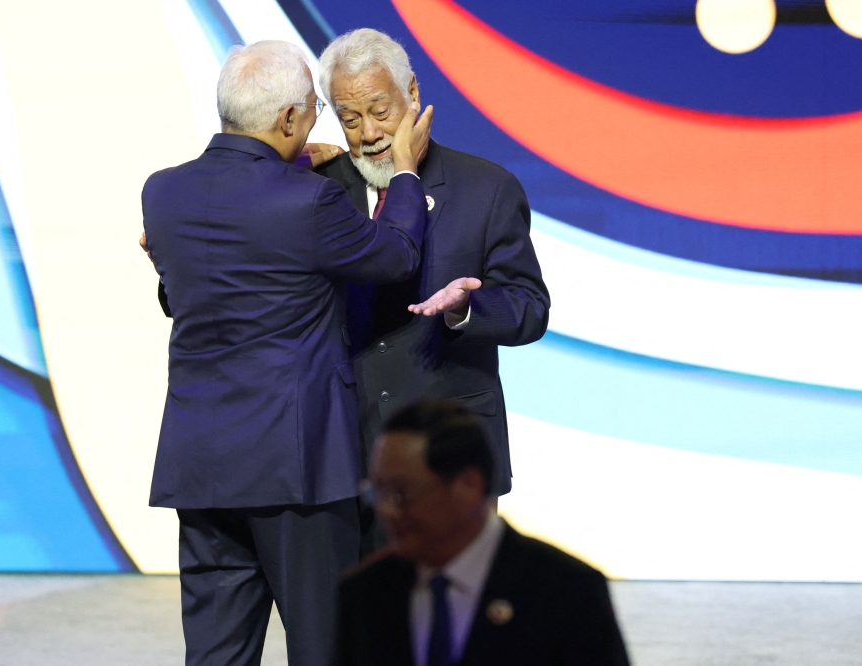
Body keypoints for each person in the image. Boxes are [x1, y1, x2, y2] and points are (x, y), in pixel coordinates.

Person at [141, 40, 433, 666]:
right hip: (297, 468)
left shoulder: (162, 194)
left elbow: (204, 276)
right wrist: (405, 173)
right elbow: (396, 255)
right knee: (324, 645)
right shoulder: (309, 203)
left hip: (202, 466)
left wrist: (294, 165)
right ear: (289, 121)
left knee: (217, 652)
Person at [315, 29, 550, 519]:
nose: (369, 134)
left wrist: (468, 310)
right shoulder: (321, 190)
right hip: (342, 457)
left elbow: (530, 308)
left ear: (413, 93)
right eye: (350, 119)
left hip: (451, 453)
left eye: (380, 111)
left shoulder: (486, 188)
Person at [335, 400, 630, 666]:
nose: (386, 511)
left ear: (468, 486)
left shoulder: (567, 591)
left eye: (400, 494)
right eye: (378, 492)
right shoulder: (364, 593)